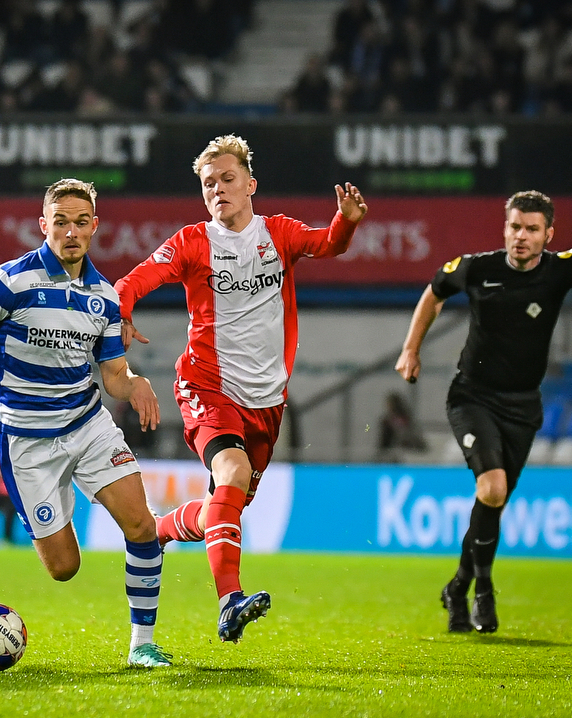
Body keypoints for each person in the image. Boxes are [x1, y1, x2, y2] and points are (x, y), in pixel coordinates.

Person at [394, 187, 572, 634]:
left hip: (523, 407)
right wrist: (411, 349)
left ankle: (458, 587)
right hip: (471, 397)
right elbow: (434, 293)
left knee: (494, 501)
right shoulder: (476, 268)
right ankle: (484, 590)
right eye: (514, 227)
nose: (520, 236)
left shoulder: (557, 271)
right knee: (491, 490)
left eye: (531, 229)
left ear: (549, 234)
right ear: (505, 228)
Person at [115, 135, 367, 643]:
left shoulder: (279, 233)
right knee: (231, 470)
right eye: (209, 184)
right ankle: (230, 600)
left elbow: (328, 244)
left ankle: (159, 531)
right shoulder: (191, 242)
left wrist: (347, 221)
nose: (218, 189)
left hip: (266, 401)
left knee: (221, 508)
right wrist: (121, 311)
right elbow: (135, 279)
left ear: (251, 184)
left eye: (227, 179)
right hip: (207, 385)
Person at [0, 178, 172, 668]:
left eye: (81, 222)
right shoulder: (10, 281)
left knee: (142, 524)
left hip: (86, 423)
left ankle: (142, 645)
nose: (71, 232)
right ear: (44, 225)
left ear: (95, 227)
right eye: (61, 222)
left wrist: (135, 382)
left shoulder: (104, 296)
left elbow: (114, 376)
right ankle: (58, 496)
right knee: (64, 568)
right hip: (26, 441)